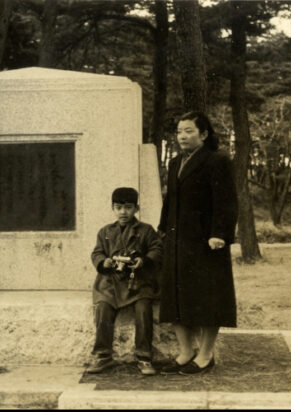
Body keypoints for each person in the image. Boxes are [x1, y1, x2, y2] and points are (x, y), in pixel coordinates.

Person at [158, 111, 238, 375]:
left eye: (188, 131)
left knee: (207, 299)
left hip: (206, 243)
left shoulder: (217, 160)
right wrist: (162, 230)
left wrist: (220, 234)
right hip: (177, 241)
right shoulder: (175, 163)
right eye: (179, 131)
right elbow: (170, 202)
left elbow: (226, 201)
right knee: (177, 298)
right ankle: (185, 352)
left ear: (203, 134)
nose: (182, 136)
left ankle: (205, 355)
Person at [87, 187, 162, 375]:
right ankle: (103, 356)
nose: (123, 212)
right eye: (118, 207)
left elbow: (157, 249)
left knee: (143, 308)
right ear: (112, 208)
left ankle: (144, 357)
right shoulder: (105, 232)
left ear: (136, 209)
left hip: (138, 282)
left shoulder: (146, 230)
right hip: (110, 283)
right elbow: (97, 252)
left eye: (128, 207)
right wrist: (103, 262)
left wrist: (143, 261)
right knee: (103, 308)